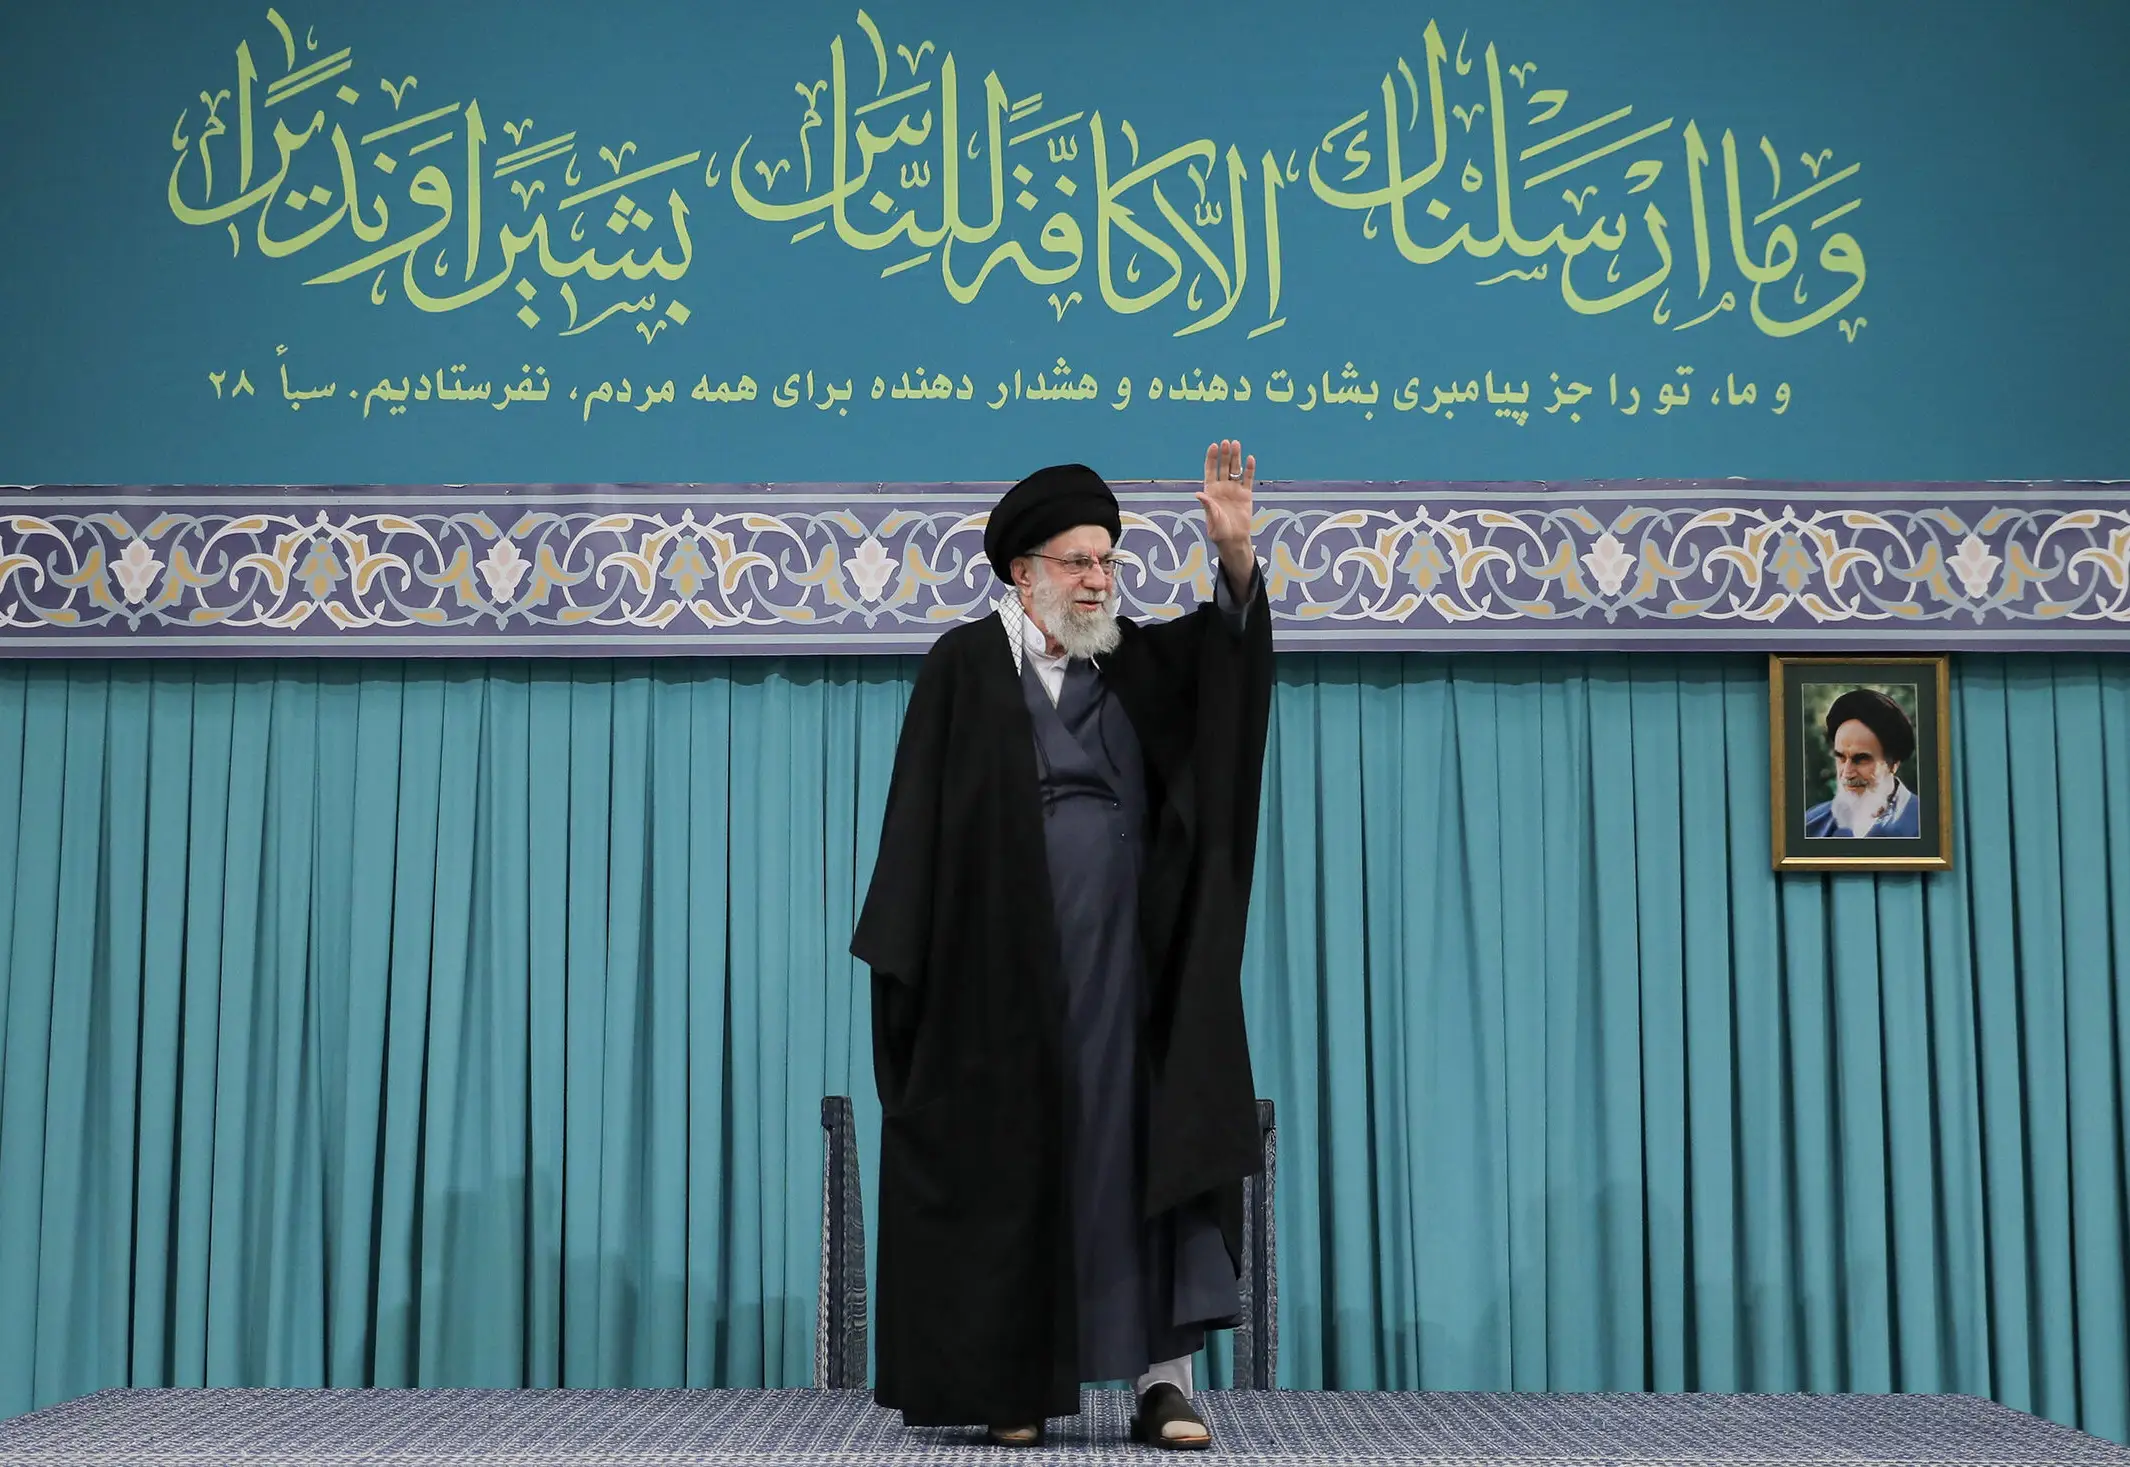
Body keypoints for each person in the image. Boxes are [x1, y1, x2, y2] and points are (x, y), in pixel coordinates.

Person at [851, 442, 1273, 1451]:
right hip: (999, 979)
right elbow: (916, 826)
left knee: (1141, 1149)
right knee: (1016, 1162)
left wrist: (1236, 557)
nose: (1099, 581)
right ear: (1022, 571)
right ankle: (1013, 1382)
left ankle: (1161, 1384)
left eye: (1109, 561)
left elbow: (1234, 675)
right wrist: (912, 981)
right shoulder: (963, 666)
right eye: (1079, 562)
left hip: (1131, 967)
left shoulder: (1135, 658)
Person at [1803, 687, 1922, 838]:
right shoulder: (1811, 824)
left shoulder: (1927, 825)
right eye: (1841, 757)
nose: (1846, 773)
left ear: (1893, 763)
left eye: (1861, 759)